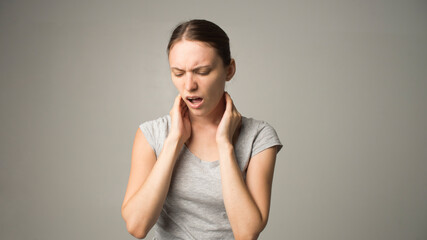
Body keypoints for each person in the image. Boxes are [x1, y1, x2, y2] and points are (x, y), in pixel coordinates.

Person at [121, 19, 283, 240]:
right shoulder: (151, 134)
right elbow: (136, 226)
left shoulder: (259, 137)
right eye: (178, 73)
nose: (189, 85)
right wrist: (173, 142)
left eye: (203, 71)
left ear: (229, 70)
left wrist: (225, 145)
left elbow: (247, 233)